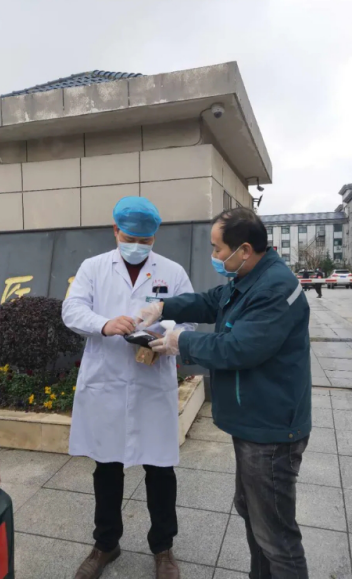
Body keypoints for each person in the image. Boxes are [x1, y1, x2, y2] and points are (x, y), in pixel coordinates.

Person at [138, 208, 312, 580]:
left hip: (270, 428)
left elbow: (239, 348)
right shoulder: (248, 277)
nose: (214, 256)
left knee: (276, 535)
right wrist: (164, 306)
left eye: (218, 249)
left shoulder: (274, 288)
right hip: (254, 420)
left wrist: (181, 341)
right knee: (252, 512)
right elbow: (210, 300)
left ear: (244, 250)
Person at [62, 196, 195, 580]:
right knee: (107, 467)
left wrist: (167, 336)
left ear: (155, 237)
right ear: (115, 230)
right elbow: (72, 310)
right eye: (130, 238)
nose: (137, 246)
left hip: (152, 382)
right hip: (107, 382)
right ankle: (106, 544)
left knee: (160, 469)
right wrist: (104, 324)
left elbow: (190, 320)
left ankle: (163, 548)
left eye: (145, 240)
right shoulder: (93, 267)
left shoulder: (172, 271)